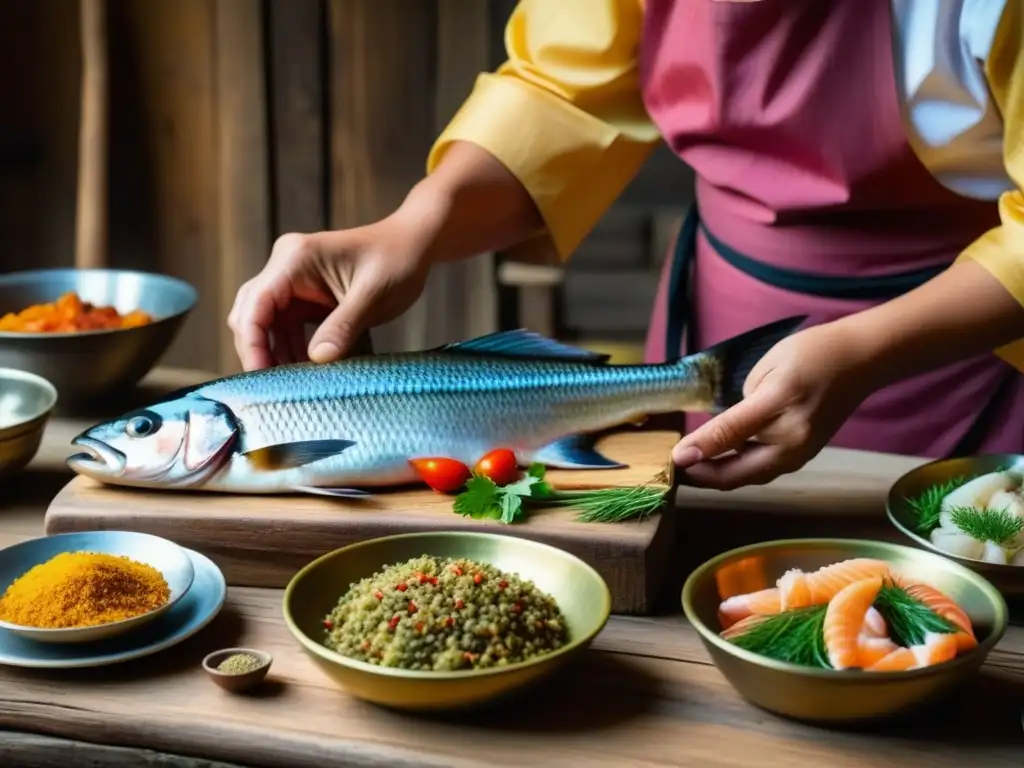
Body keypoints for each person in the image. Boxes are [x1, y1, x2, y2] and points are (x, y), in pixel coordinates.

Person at [228, 0, 1024, 491]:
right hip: (720, 306)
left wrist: (868, 350)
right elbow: (566, 96)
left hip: (960, 348)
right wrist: (416, 225)